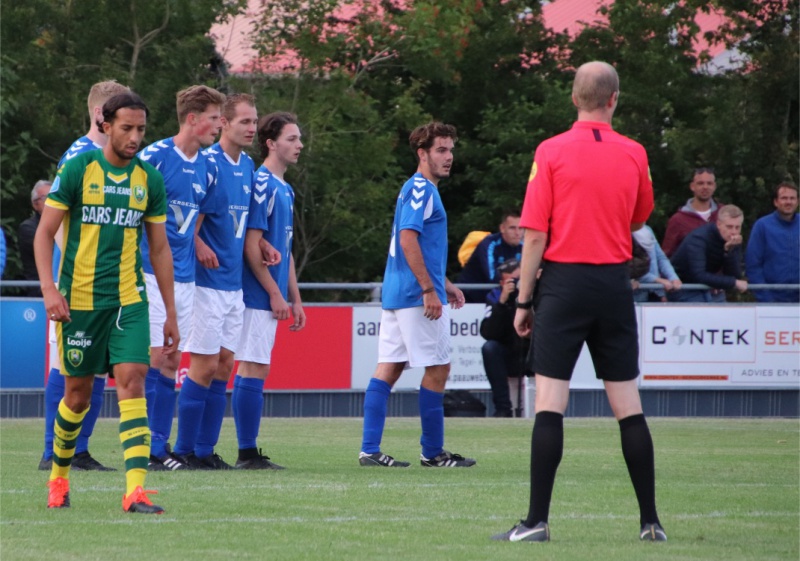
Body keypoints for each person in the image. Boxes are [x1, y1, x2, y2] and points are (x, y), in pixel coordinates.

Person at [492, 61, 665, 542]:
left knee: (551, 404)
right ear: (614, 99)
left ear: (574, 98)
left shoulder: (550, 151)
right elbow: (639, 218)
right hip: (613, 284)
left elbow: (533, 234)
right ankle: (650, 523)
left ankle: (536, 522)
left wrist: (523, 301)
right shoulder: (635, 152)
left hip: (564, 284)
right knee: (628, 405)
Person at [34, 92, 178, 513]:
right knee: (77, 396)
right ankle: (59, 477)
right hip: (79, 302)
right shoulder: (79, 169)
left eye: (141, 130)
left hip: (128, 300)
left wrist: (170, 312)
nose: (134, 137)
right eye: (127, 128)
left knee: (133, 378)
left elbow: (160, 249)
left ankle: (135, 491)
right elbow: (44, 234)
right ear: (106, 125)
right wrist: (49, 289)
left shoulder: (148, 179)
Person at [359, 122, 474, 469]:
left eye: (450, 150)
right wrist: (428, 288)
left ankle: (369, 449)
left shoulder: (414, 188)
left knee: (389, 367)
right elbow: (408, 239)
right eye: (441, 150)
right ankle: (432, 452)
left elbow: (419, 245)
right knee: (439, 368)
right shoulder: (423, 189)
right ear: (422, 153)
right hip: (414, 294)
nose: (448, 156)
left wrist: (444, 283)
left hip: (397, 292)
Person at [167, 94, 263, 470]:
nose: (252, 128)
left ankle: (205, 451)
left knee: (224, 366)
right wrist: (199, 244)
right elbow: (187, 222)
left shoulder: (248, 165)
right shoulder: (208, 162)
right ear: (223, 122)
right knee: (204, 366)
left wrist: (264, 245)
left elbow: (239, 222)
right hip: (206, 284)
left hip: (233, 285)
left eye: (254, 121)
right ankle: (184, 449)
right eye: (244, 121)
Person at [39, 79, 131, 473]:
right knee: (68, 365)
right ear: (99, 114)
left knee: (93, 367)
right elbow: (55, 223)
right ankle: (53, 451)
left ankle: (79, 449)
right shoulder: (78, 156)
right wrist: (65, 276)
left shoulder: (116, 161)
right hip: (75, 282)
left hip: (107, 284)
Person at [139, 85, 226, 471]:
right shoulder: (154, 158)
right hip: (149, 272)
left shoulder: (208, 167)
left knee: (173, 359)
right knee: (155, 356)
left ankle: (160, 445)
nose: (219, 126)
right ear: (192, 119)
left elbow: (197, 220)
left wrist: (195, 249)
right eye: (214, 118)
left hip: (185, 278)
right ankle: (146, 448)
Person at [235, 111, 306, 470]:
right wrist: (274, 293)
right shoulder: (262, 183)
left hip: (271, 294)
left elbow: (284, 248)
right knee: (252, 366)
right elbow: (253, 245)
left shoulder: (285, 188)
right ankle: (246, 452)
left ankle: (247, 450)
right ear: (271, 144)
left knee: (256, 366)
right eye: (292, 139)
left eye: (299, 138)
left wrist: (295, 297)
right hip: (255, 295)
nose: (299, 145)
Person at [480, 259, 530, 417]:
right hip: (509, 352)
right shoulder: (495, 296)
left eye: (519, 279)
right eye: (512, 280)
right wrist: (502, 303)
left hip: (532, 348)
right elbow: (488, 333)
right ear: (502, 282)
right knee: (490, 348)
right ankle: (503, 408)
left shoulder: (538, 291)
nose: (516, 283)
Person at [668, 205, 747, 302]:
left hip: (709, 287)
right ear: (719, 224)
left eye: (737, 227)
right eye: (729, 227)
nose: (734, 232)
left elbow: (735, 275)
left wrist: (730, 252)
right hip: (683, 287)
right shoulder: (698, 238)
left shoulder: (734, 240)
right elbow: (698, 274)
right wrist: (733, 282)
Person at [745, 182, 799, 303]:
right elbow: (753, 265)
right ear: (776, 202)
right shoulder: (762, 226)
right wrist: (766, 298)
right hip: (772, 299)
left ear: (797, 201)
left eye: (792, 198)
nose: (788, 202)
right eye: (784, 198)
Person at [458, 210, 523, 303]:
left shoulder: (524, 245)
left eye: (520, 228)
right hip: (469, 299)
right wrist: (517, 276)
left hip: (499, 299)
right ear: (502, 228)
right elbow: (493, 276)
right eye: (512, 228)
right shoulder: (489, 244)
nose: (517, 233)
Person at [661, 167, 722, 257]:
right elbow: (667, 255)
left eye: (709, 183)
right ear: (692, 186)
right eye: (700, 183)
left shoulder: (723, 214)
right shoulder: (678, 220)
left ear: (714, 186)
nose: (705, 187)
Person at [17, 180, 53, 296]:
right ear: (35, 204)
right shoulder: (27, 228)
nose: (52, 202)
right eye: (46, 198)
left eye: (55, 197)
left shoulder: (66, 224)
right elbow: (52, 252)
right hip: (39, 291)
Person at [632, 225, 682, 302]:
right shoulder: (621, 231)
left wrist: (673, 278)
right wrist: (658, 280)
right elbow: (629, 268)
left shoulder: (647, 229)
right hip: (635, 295)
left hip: (655, 292)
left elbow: (660, 257)